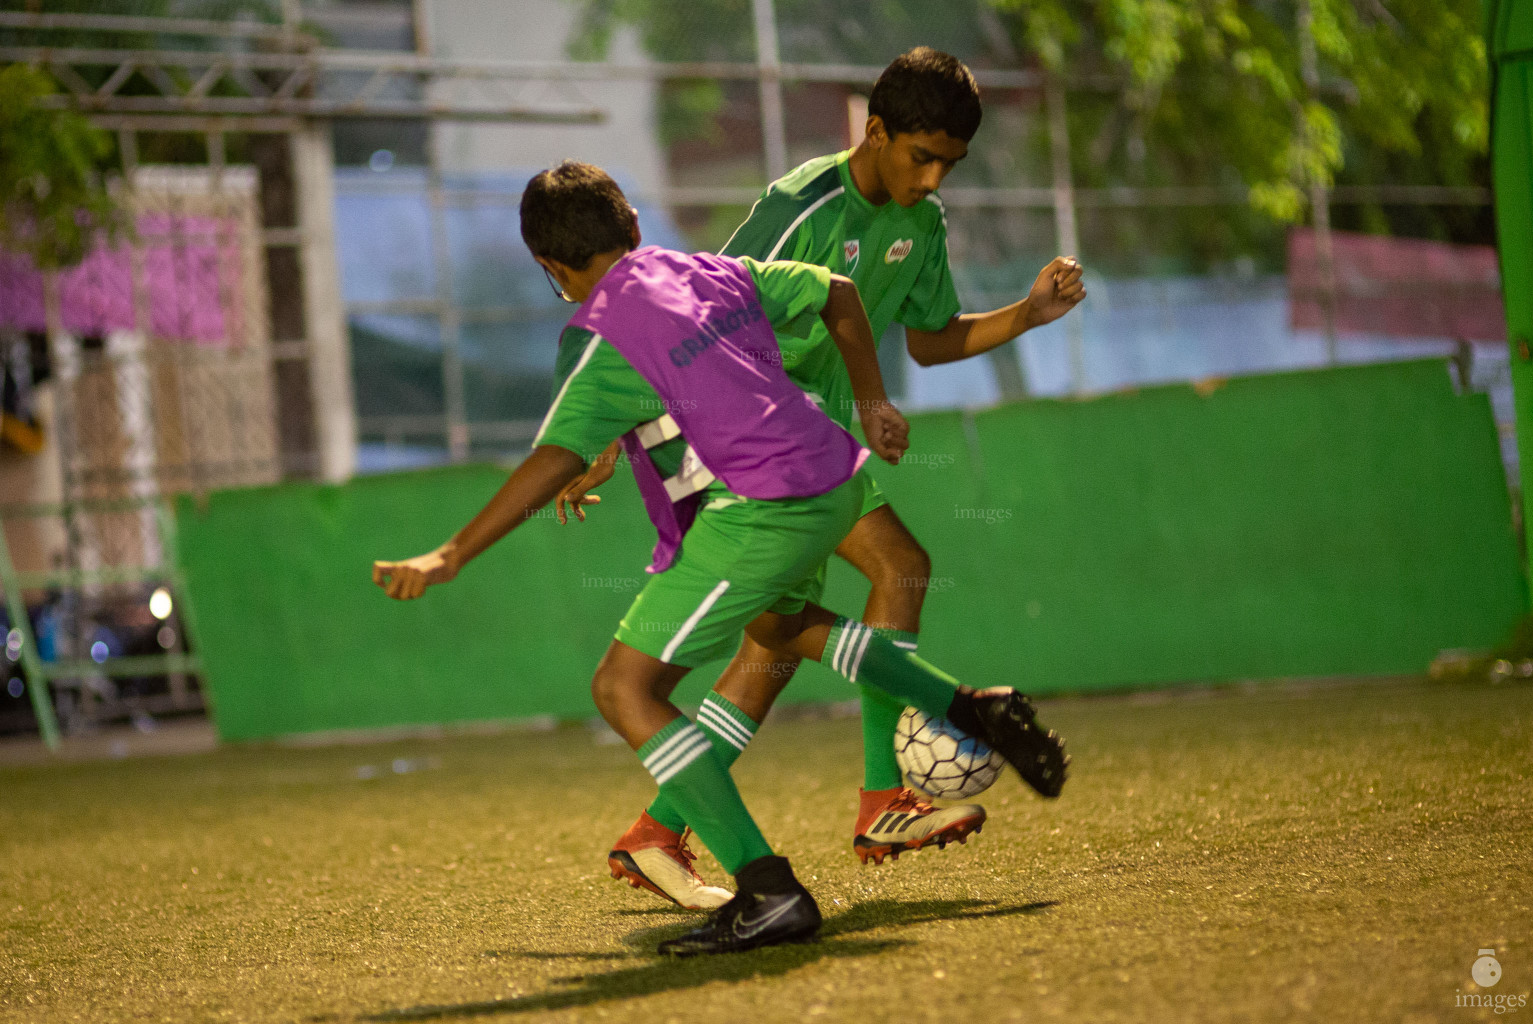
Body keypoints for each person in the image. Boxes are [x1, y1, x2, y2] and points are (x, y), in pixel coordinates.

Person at [372, 161, 1068, 956]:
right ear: (633, 224)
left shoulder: (596, 338)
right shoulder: (703, 269)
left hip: (760, 509)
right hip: (834, 475)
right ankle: (970, 708)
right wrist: (873, 401)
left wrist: (450, 553)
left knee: (625, 686)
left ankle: (767, 890)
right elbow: (838, 297)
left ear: (549, 268)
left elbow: (553, 458)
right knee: (779, 623)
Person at [559, 47, 1085, 897]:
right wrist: (613, 439)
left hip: (810, 449)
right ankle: (880, 795)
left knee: (784, 641)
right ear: (874, 133)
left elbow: (932, 337)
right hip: (748, 448)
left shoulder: (924, 226)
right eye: (922, 157)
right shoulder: (796, 206)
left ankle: (662, 830)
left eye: (950, 164)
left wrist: (1027, 313)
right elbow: (685, 310)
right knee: (868, 582)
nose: (932, 178)